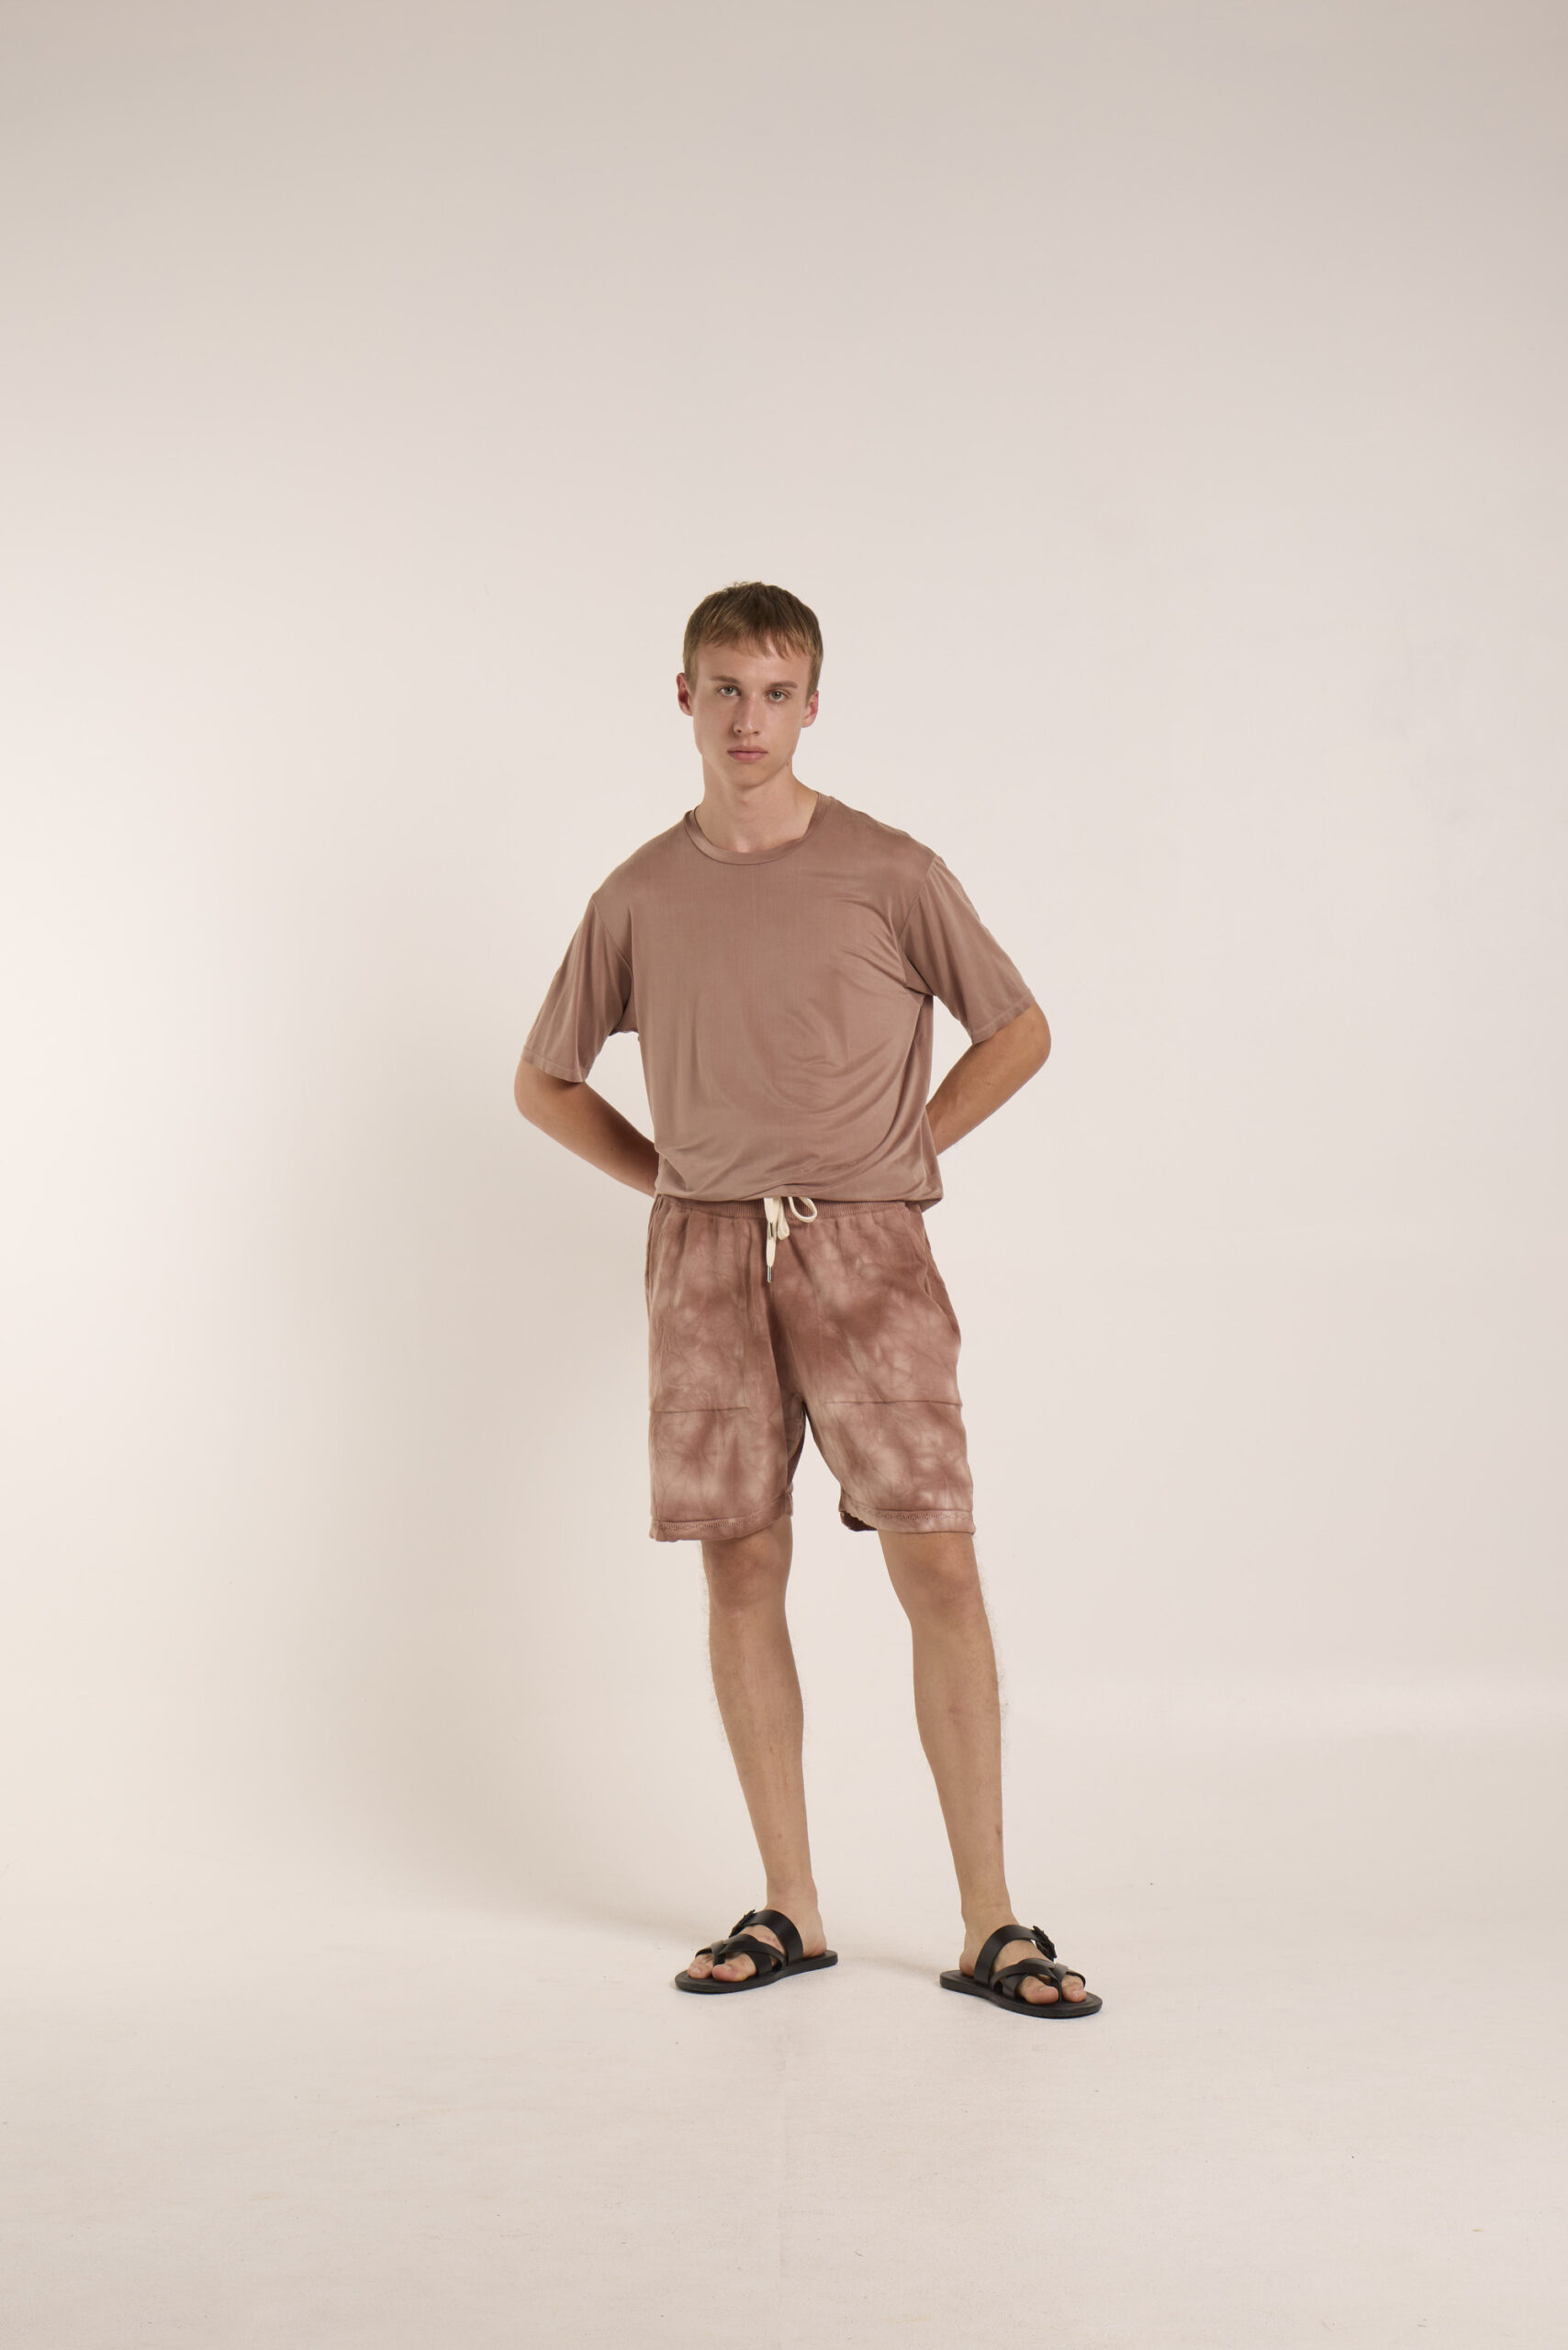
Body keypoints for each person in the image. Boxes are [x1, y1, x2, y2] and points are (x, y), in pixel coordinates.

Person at [513, 582, 1101, 2019]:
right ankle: (792, 1905)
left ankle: (993, 1923)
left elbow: (1019, 1028)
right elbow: (545, 1081)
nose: (749, 718)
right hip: (704, 1259)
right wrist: (677, 1181)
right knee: (741, 1564)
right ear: (684, 698)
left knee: (938, 1562)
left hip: (868, 1253)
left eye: (776, 692)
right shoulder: (637, 894)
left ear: (813, 706)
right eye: (725, 688)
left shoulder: (890, 871)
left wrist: (901, 1155)